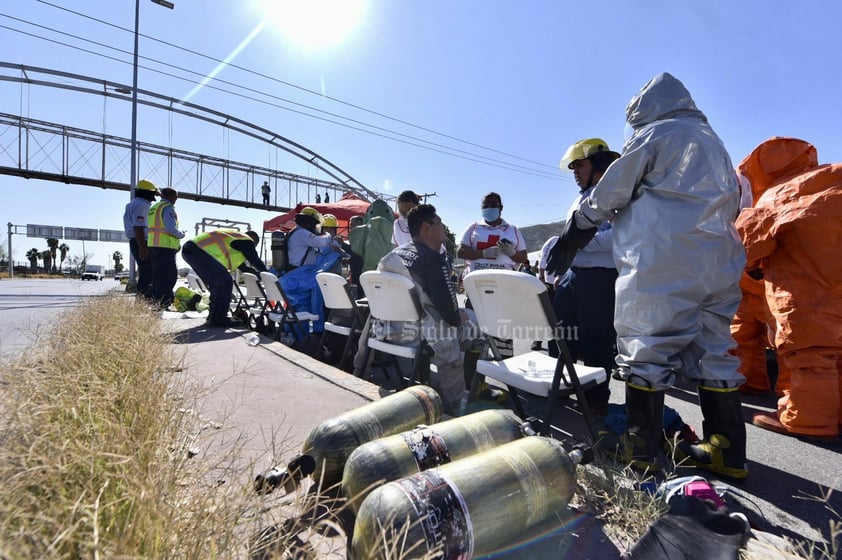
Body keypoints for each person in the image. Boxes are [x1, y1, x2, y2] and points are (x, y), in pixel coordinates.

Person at [548, 73, 748, 478]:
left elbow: (609, 192)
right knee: (714, 350)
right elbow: (735, 201)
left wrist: (577, 227)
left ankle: (638, 447)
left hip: (662, 261)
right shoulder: (716, 145)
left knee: (647, 347)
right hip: (717, 263)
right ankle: (727, 451)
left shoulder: (655, 135)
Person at [736, 137, 842, 441]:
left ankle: (808, 420)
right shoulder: (830, 178)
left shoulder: (776, 195)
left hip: (803, 289)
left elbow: (749, 249)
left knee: (810, 355)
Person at [377, 204, 480, 415]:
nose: (444, 227)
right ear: (427, 227)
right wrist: (459, 316)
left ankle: (432, 381)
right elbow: (450, 314)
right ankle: (463, 398)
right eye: (440, 222)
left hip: (393, 329)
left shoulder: (395, 255)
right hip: (422, 334)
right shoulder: (433, 258)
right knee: (480, 330)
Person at [548, 138, 621, 417]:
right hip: (574, 276)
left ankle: (595, 401)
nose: (576, 172)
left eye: (580, 165)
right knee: (562, 337)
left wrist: (578, 243)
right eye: (573, 167)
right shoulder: (579, 199)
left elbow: (617, 238)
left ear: (599, 164)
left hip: (600, 279)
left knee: (596, 342)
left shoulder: (616, 195)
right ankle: (563, 387)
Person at [457, 192, 527, 362]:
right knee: (473, 338)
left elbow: (523, 257)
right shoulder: (473, 228)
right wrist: (482, 252)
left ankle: (506, 377)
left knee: (503, 338)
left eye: (493, 205)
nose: (489, 209)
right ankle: (473, 385)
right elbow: (460, 251)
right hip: (476, 291)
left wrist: (512, 253)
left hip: (503, 292)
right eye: (485, 206)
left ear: (500, 208)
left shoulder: (513, 230)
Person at [182, 229, 267, 328]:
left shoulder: (235, 240)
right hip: (198, 251)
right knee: (225, 283)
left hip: (190, 251)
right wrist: (267, 273)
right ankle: (219, 319)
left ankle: (213, 316)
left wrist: (258, 274)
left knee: (217, 285)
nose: (253, 247)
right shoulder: (247, 240)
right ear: (254, 240)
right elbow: (255, 260)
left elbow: (243, 267)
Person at [147, 187, 185, 310]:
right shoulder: (167, 208)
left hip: (154, 246)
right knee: (169, 276)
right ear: (172, 197)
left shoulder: (154, 208)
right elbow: (170, 228)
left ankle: (156, 302)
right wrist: (181, 234)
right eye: (176, 198)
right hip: (165, 247)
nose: (176, 200)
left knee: (157, 276)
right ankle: (164, 303)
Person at [122, 178, 157, 300]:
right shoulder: (142, 205)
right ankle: (143, 300)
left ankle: (144, 300)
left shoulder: (132, 204)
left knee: (146, 271)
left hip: (137, 241)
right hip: (142, 242)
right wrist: (143, 247)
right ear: (147, 192)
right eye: (152, 193)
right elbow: (138, 227)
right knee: (148, 272)